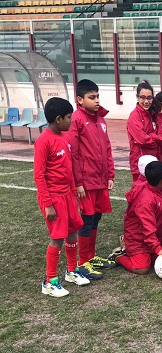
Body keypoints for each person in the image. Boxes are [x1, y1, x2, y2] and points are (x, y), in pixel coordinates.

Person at [36, 97, 90, 297]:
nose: (71, 121)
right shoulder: (43, 141)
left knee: (73, 232)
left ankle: (71, 271)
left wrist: (75, 192)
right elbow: (39, 175)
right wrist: (48, 204)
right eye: (69, 117)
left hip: (67, 196)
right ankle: (50, 281)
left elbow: (69, 168)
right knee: (57, 238)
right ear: (58, 119)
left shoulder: (65, 137)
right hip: (54, 197)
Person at [67, 79, 116, 280]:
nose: (96, 101)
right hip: (86, 182)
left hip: (100, 180)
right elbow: (74, 154)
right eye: (92, 97)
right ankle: (82, 262)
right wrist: (78, 182)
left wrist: (110, 174)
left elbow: (107, 148)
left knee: (96, 218)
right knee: (86, 221)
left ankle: (91, 256)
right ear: (80, 99)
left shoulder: (100, 120)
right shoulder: (76, 120)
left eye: (97, 97)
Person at [115, 161, 162, 274]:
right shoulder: (146, 200)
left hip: (152, 235)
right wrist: (158, 249)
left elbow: (158, 218)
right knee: (142, 268)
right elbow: (147, 228)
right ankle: (119, 257)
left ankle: (153, 247)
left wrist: (160, 235)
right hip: (137, 238)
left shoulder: (159, 189)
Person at [127, 81, 162, 182]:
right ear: (137, 97)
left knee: (155, 194)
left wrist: (151, 137)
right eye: (142, 97)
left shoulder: (153, 115)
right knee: (141, 194)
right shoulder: (134, 116)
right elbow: (142, 139)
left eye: (149, 98)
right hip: (139, 163)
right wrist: (154, 138)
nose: (146, 101)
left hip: (154, 161)